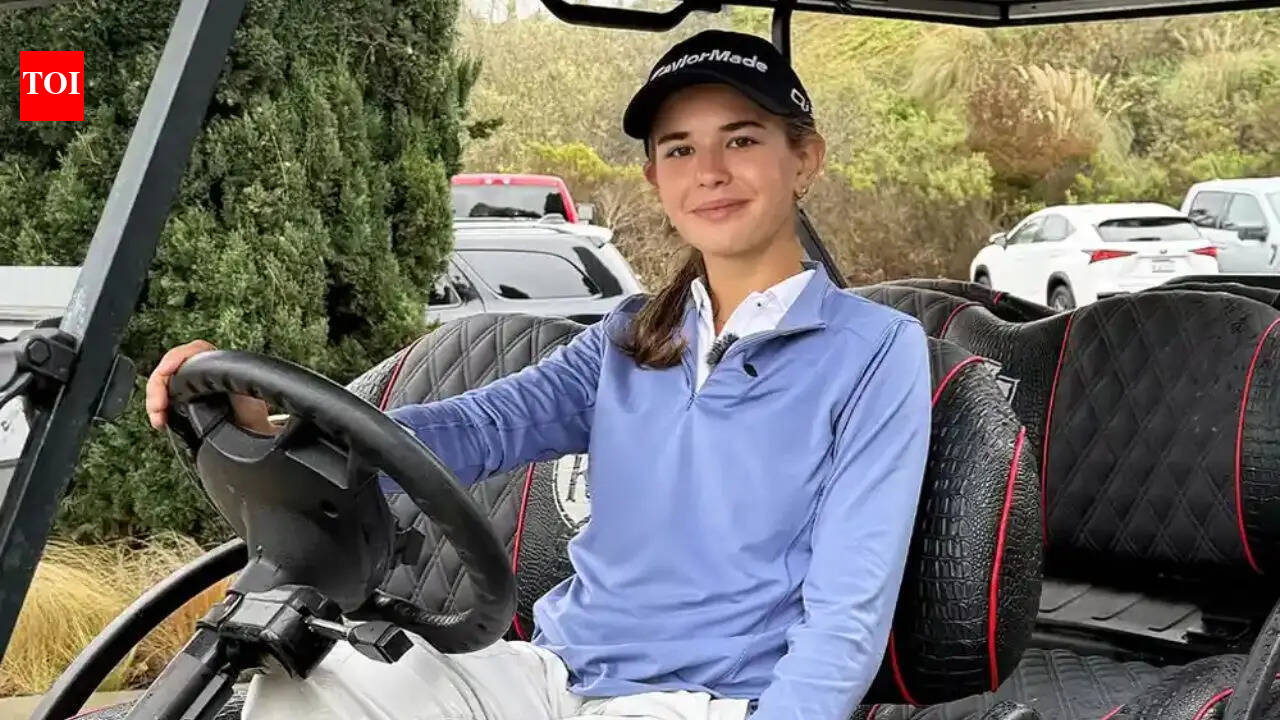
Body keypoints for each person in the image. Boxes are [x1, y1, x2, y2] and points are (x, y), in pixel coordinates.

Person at [145, 29, 931, 720]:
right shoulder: (631, 334)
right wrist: (275, 431)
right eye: (680, 148)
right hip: (554, 673)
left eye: (744, 138)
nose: (710, 170)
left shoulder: (874, 352)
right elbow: (475, 430)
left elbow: (846, 615)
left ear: (806, 158)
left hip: (705, 697)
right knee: (312, 681)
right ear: (657, 180)